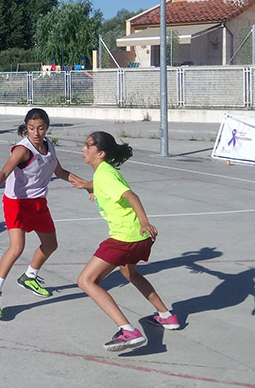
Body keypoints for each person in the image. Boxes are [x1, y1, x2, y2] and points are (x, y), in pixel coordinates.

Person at [70, 131, 180, 352]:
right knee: (130, 272)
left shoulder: (104, 174)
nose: (83, 149)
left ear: (100, 153)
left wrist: (145, 222)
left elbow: (131, 196)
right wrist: (90, 187)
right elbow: (105, 187)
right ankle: (167, 316)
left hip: (125, 237)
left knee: (86, 281)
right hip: (139, 238)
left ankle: (128, 331)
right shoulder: (104, 172)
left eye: (88, 146)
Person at [0, 108, 85, 319]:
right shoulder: (22, 150)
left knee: (51, 244)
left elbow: (59, 172)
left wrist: (86, 184)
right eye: (31, 128)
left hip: (38, 202)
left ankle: (29, 276)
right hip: (16, 203)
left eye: (40, 128)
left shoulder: (49, 146)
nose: (36, 133)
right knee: (17, 248)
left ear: (47, 128)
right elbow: (4, 172)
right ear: (26, 127)